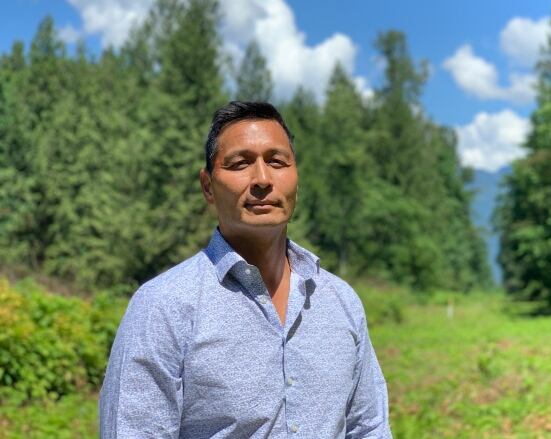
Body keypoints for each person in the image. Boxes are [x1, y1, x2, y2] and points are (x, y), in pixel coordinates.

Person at [99, 101, 391, 438]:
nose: (262, 179)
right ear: (208, 186)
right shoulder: (163, 306)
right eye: (240, 164)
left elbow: (369, 427)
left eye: (277, 161)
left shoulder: (340, 301)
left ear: (296, 176)